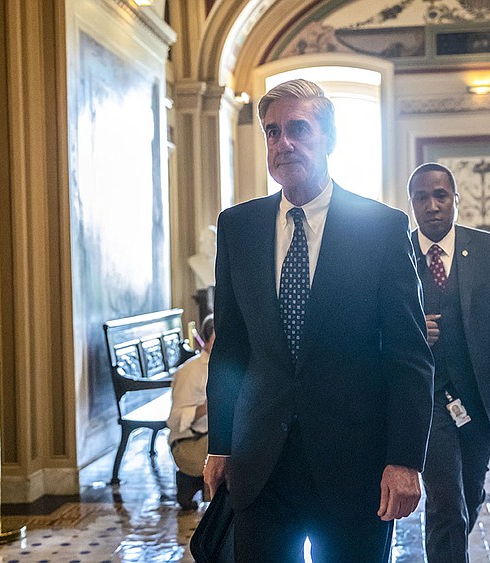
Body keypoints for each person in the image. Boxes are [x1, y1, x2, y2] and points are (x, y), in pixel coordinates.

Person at [203, 79, 434, 562]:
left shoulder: (380, 228)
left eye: (298, 129)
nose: (283, 143)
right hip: (260, 462)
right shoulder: (238, 227)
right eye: (271, 132)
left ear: (328, 138)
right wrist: (220, 444)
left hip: (354, 464)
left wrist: (405, 460)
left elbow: (408, 357)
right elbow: (231, 348)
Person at [408, 163, 490, 563]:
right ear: (411, 204)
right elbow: (369, 324)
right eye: (422, 198)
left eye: (441, 196)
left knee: (469, 495)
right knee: (445, 503)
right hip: (425, 403)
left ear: (456, 201)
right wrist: (411, 330)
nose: (432, 206)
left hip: (479, 403)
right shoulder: (395, 254)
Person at [167, 314, 215, 510]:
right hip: (188, 444)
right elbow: (174, 421)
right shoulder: (190, 371)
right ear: (207, 340)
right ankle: (214, 507)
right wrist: (205, 409)